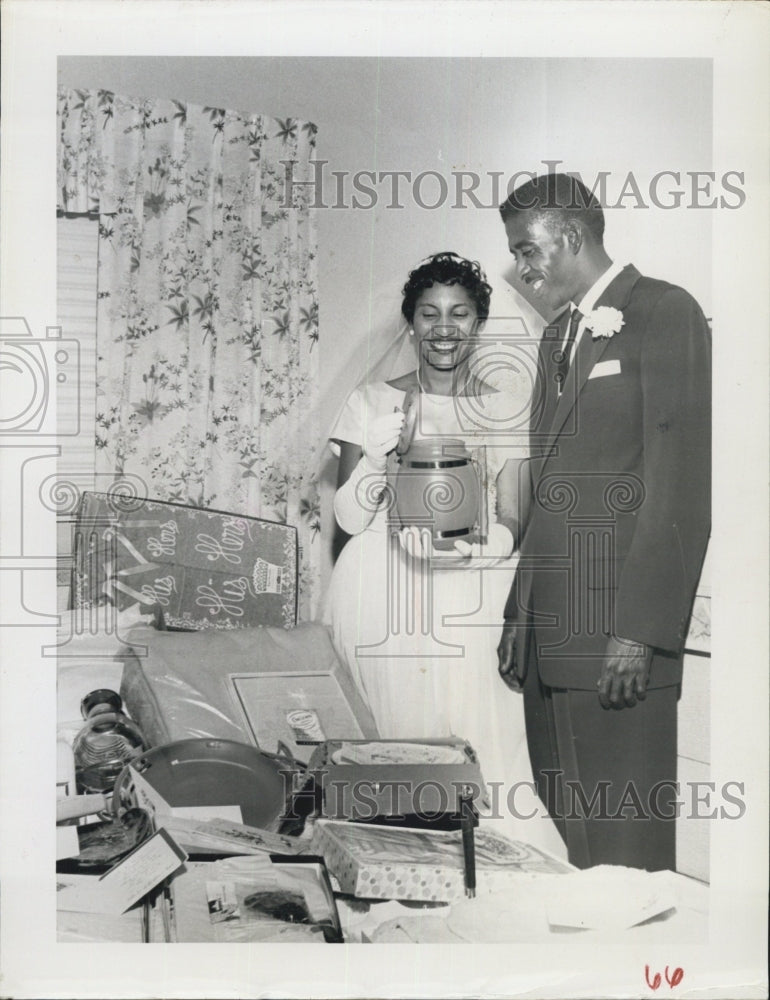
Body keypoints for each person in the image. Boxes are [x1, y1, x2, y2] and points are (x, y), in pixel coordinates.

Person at [496, 173, 711, 871]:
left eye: (528, 252)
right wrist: (518, 612)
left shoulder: (665, 310)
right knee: (575, 853)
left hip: (619, 642)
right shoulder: (555, 336)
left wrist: (639, 633)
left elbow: (679, 490)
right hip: (549, 640)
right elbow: (550, 489)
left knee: (627, 857)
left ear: (572, 236)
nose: (523, 271)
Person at [325, 252, 566, 855]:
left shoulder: (505, 402)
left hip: (473, 589)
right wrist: (376, 460)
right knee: (390, 741)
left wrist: (494, 547)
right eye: (429, 313)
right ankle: (388, 866)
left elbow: (515, 508)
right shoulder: (370, 401)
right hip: (384, 588)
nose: (443, 327)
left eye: (459, 313)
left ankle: (492, 874)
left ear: (478, 325)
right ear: (410, 323)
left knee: (485, 739)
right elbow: (351, 520)